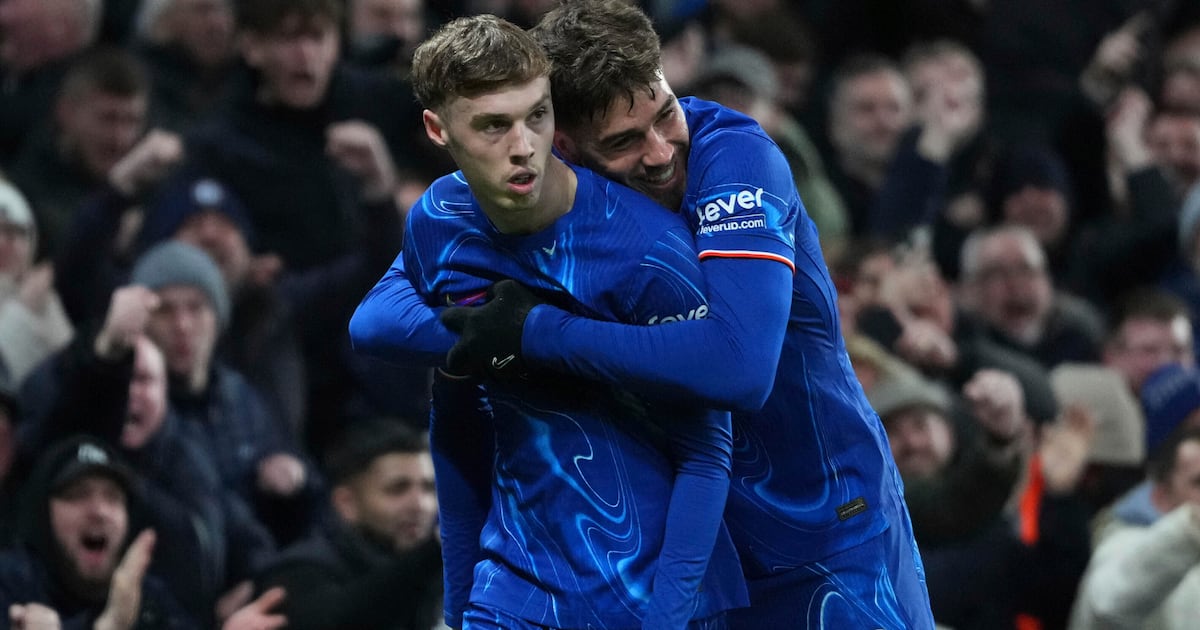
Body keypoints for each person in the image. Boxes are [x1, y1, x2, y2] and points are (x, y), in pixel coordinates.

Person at [352, 1, 933, 627]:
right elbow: (380, 314)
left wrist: (532, 333)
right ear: (563, 145)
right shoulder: (532, 205)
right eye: (624, 142)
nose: (659, 153)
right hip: (707, 548)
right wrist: (480, 335)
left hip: (832, 525)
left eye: (665, 114)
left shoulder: (734, 158)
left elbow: (739, 367)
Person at [353, 13, 746, 630]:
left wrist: (668, 621)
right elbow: (454, 417)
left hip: (648, 597)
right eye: (493, 125)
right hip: (513, 592)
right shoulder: (440, 220)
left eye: (537, 116)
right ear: (437, 129)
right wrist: (459, 603)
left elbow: (705, 455)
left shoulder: (646, 249)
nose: (523, 146)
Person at [253, 419, 442, 630]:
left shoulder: (440, 567)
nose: (421, 505)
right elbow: (338, 620)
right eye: (397, 489)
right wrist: (433, 551)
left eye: (429, 488)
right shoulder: (299, 570)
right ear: (346, 503)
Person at [0, 434, 198, 629]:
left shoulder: (143, 595)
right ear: (43, 513)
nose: (100, 512)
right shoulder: (10, 584)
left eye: (113, 497)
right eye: (78, 495)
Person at [1068, 427, 1200, 630]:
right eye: (1198, 482)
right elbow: (1107, 604)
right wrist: (1191, 528)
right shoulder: (1123, 539)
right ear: (1160, 494)